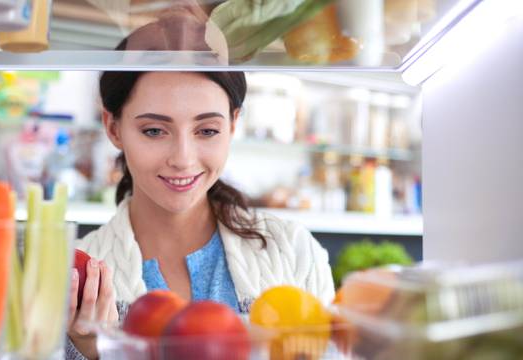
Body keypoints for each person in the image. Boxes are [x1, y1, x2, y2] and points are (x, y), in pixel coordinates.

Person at [64, 71, 335, 360]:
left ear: (233, 124)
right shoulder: (76, 275)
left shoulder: (292, 249)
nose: (183, 159)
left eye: (207, 131)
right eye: (154, 130)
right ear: (113, 128)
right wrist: (91, 353)